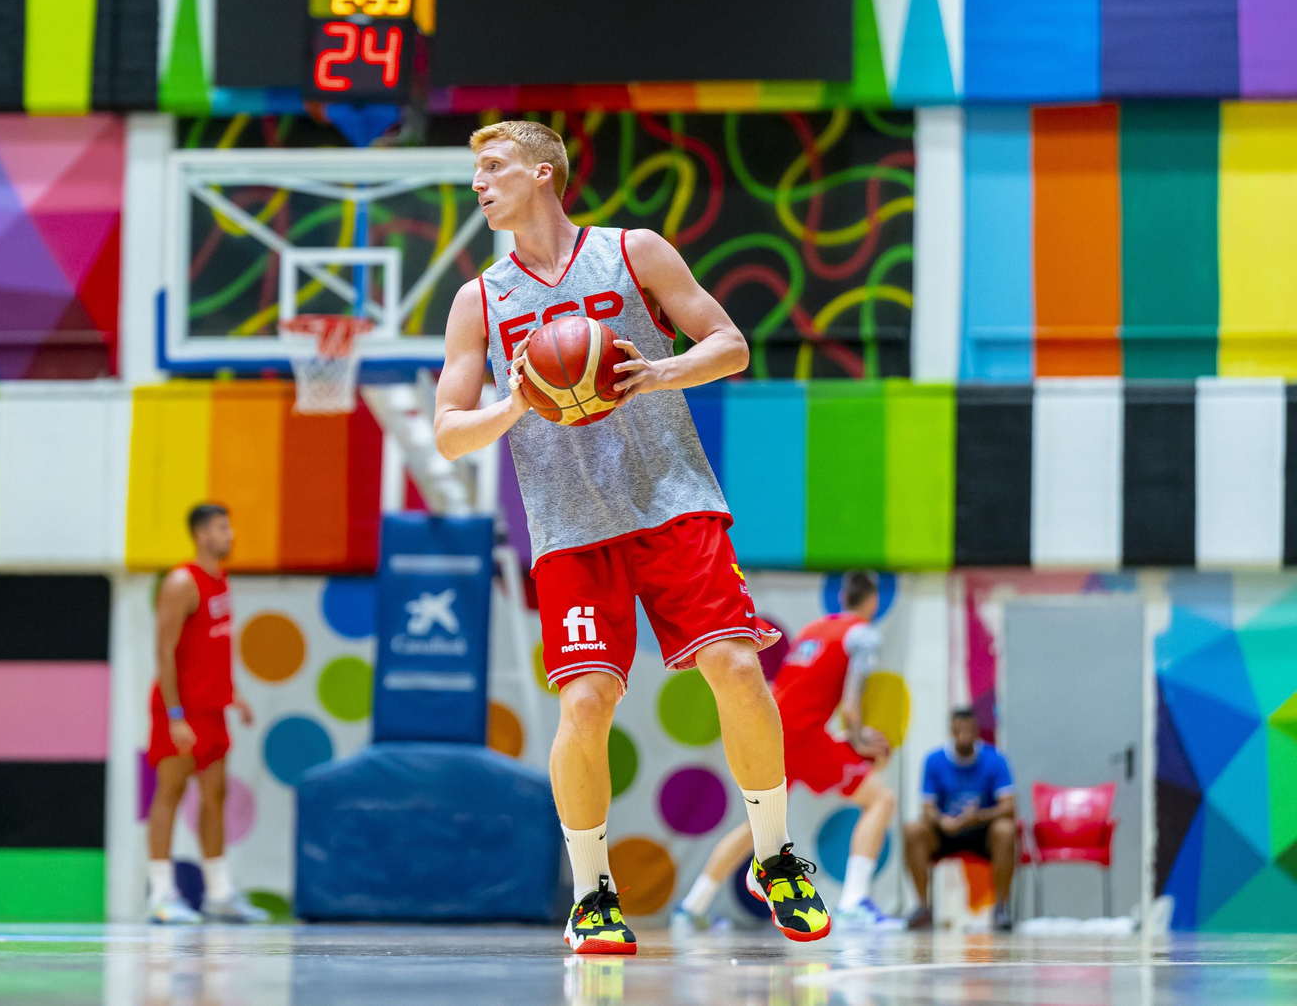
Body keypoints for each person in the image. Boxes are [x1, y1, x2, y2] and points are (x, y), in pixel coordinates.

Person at [434, 120, 828, 954]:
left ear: (544, 173)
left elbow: (730, 343)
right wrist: (513, 404)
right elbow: (447, 432)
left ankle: (775, 855)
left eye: (494, 166)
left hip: (670, 497)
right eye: (477, 171)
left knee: (734, 663)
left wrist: (661, 370)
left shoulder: (633, 250)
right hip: (570, 525)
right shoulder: (480, 300)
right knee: (586, 701)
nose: (480, 182)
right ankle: (593, 894)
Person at [671, 573, 901, 932]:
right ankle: (854, 903)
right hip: (803, 736)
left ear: (841, 597)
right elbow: (852, 705)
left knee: (762, 826)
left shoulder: (814, 628)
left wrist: (839, 737)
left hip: (775, 727)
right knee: (882, 799)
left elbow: (793, 689)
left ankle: (692, 907)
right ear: (873, 601)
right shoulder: (864, 635)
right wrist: (857, 739)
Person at [144, 503, 269, 925]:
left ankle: (219, 894)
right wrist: (175, 714)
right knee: (170, 793)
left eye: (229, 526)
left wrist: (234, 693)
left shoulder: (221, 581)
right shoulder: (182, 582)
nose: (230, 534)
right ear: (201, 534)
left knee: (215, 796)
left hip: (213, 709)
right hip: (181, 709)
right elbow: (165, 652)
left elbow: (211, 648)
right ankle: (161, 896)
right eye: (221, 527)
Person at [902, 707, 1017, 931]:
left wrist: (979, 816)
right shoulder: (934, 760)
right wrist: (943, 820)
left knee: (1006, 829)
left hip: (982, 832)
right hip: (946, 832)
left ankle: (1001, 907)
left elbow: (1009, 806)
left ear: (977, 732)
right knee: (913, 829)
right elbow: (927, 808)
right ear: (950, 732)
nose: (963, 736)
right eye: (958, 731)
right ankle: (923, 907)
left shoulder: (995, 759)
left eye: (968, 731)